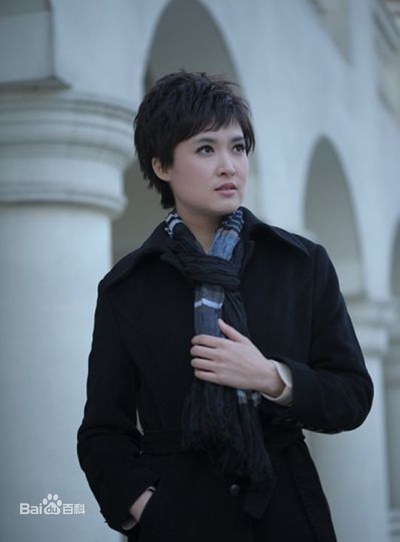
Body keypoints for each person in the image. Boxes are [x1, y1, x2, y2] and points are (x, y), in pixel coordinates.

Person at [77, 71, 373, 542]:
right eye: (205, 149)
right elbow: (102, 433)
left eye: (237, 148)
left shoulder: (298, 264)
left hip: (286, 517)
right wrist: (147, 510)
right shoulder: (128, 288)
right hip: (179, 522)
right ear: (161, 166)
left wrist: (272, 378)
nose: (229, 166)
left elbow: (352, 396)